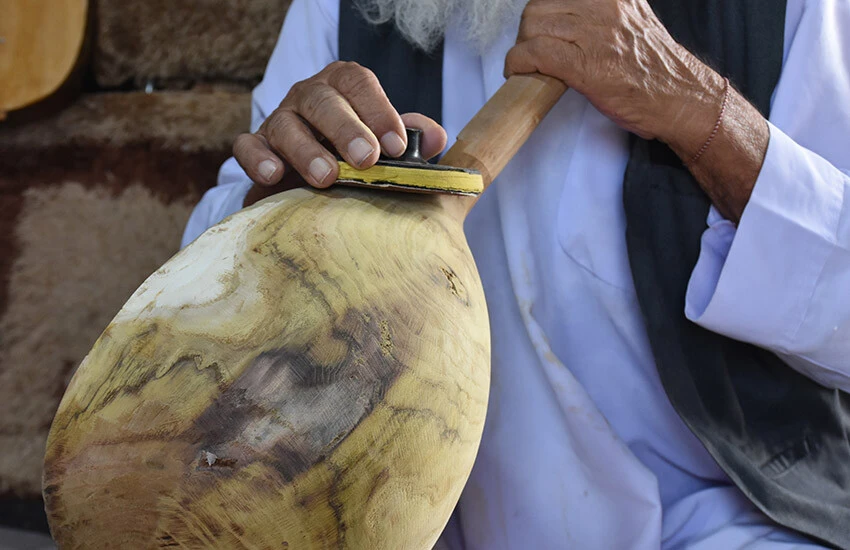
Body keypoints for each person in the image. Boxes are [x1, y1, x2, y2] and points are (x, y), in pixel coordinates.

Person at [182, 0, 850, 547]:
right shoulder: (343, 9)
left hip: (739, 524)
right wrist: (281, 207)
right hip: (420, 524)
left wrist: (700, 113)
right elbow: (194, 306)